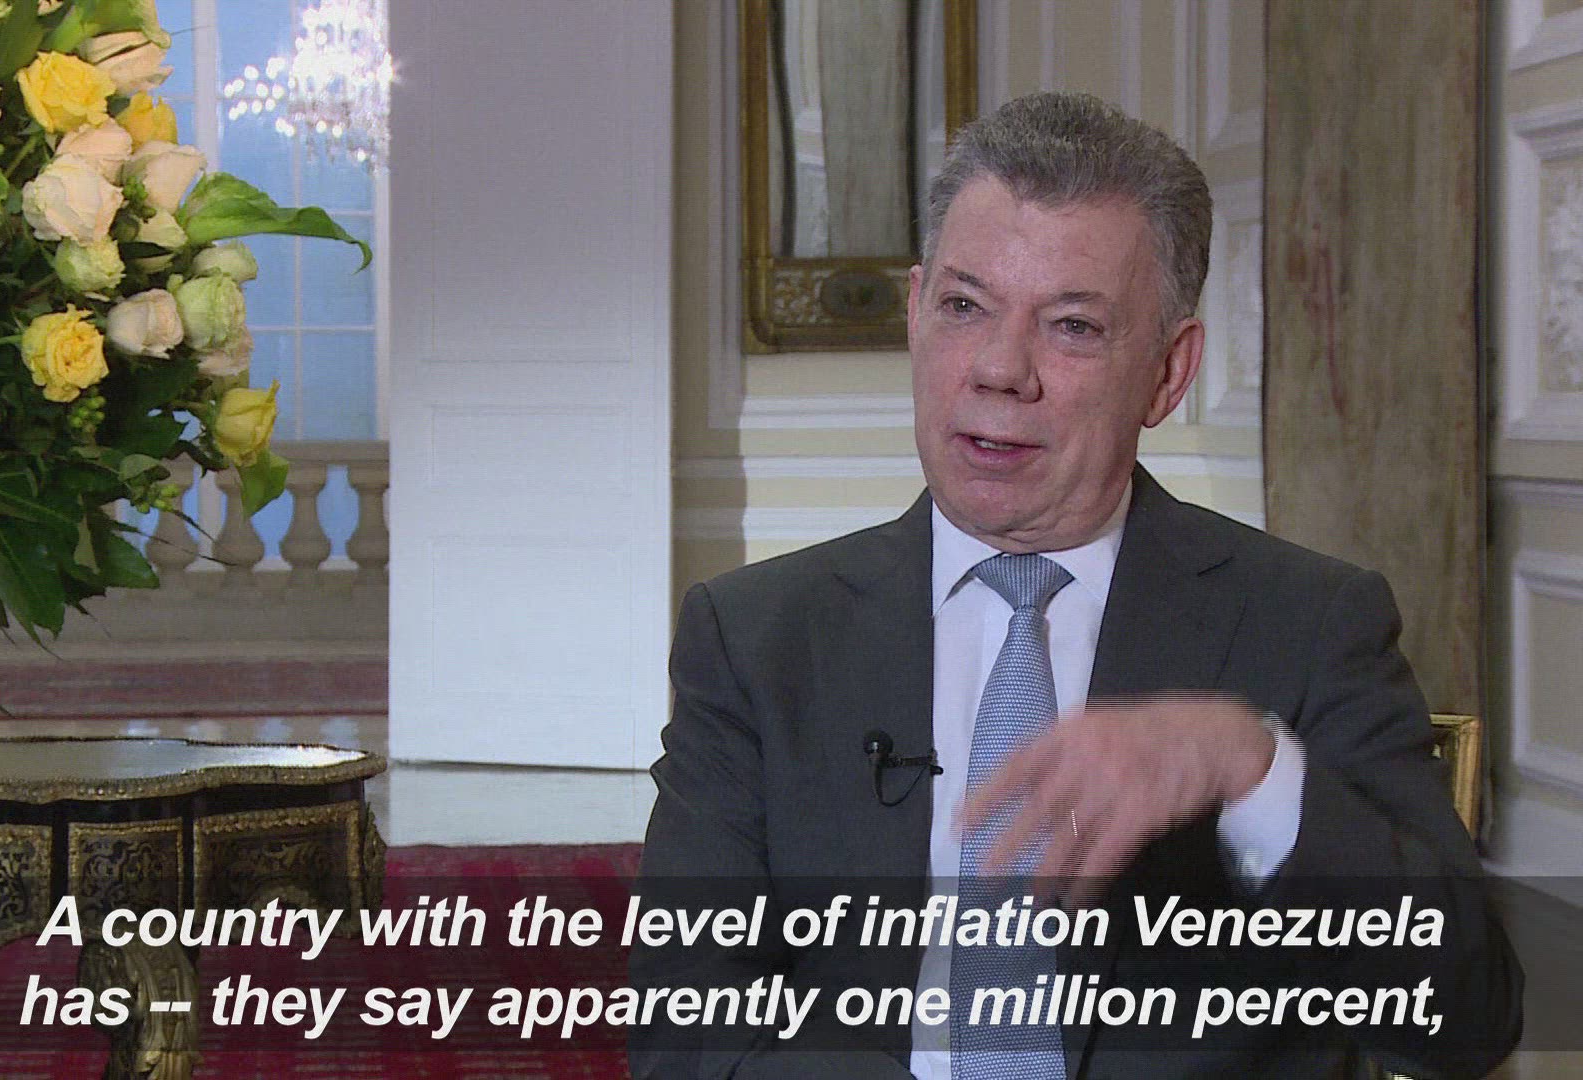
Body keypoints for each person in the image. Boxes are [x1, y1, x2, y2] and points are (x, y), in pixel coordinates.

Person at [632, 91, 1521, 1080]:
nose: (1000, 370)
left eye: (1073, 326)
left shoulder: (1309, 623)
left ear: (1168, 373)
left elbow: (1466, 1020)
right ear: (917, 314)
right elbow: (686, 1036)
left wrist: (1249, 766)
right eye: (964, 307)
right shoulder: (755, 640)